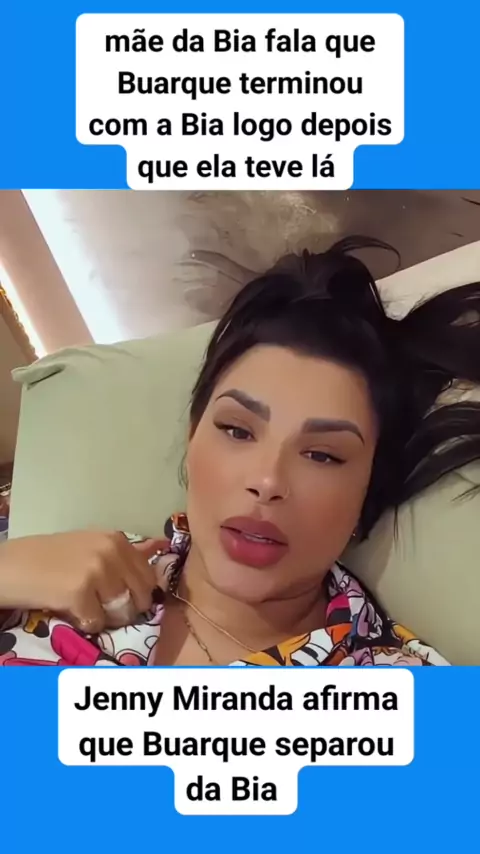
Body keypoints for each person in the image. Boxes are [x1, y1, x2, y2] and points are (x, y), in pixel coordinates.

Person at [1, 236, 480, 667]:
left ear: (369, 488)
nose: (267, 481)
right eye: (236, 430)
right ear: (192, 437)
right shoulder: (66, 568)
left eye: (322, 455)